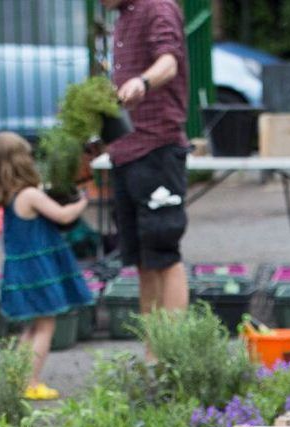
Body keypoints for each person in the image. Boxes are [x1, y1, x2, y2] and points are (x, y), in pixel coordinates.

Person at [0, 134, 92, 401]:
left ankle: (17, 378)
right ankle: (30, 382)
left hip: (21, 271)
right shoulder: (29, 194)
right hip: (39, 271)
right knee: (45, 326)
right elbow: (62, 215)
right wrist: (83, 201)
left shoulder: (8, 196)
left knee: (30, 328)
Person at [101, 0, 190, 318]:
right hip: (126, 151)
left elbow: (169, 62)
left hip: (157, 148)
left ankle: (173, 353)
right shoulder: (125, 15)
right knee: (141, 260)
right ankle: (154, 356)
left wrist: (143, 81)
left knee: (164, 253)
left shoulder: (158, 7)